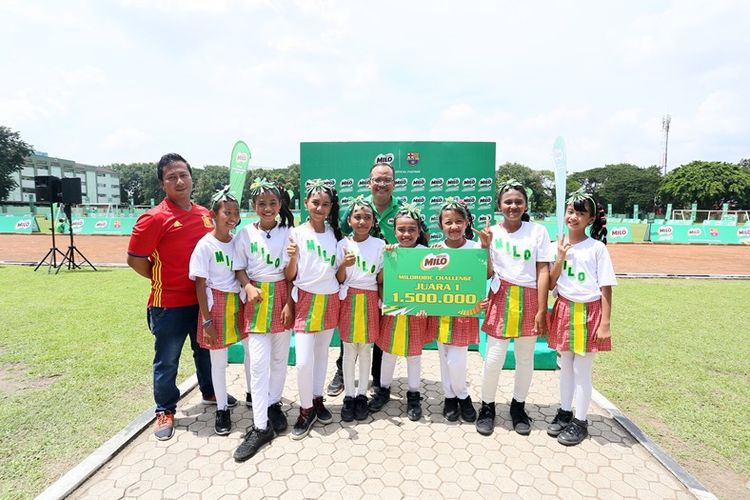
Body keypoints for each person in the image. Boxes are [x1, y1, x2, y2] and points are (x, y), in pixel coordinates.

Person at [127, 153, 236, 442]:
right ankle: (165, 409)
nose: (179, 180)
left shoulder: (204, 213)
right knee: (167, 359)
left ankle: (211, 391)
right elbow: (135, 259)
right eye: (171, 177)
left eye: (183, 174)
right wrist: (161, 278)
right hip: (169, 305)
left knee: (205, 350)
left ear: (191, 177)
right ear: (163, 183)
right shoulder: (153, 218)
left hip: (204, 302)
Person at [476, 180, 553, 436]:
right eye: (508, 201)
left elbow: (543, 270)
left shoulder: (538, 232)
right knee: (495, 357)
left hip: (530, 298)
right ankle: (487, 407)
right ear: (499, 205)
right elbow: (487, 272)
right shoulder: (493, 232)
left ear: (526, 204)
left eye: (518, 201)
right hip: (501, 295)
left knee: (524, 356)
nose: (513, 206)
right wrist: (485, 247)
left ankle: (518, 407)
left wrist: (543, 309)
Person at [232, 178, 296, 462]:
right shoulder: (245, 233)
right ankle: (260, 427)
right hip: (257, 300)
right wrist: (246, 285)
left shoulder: (289, 232)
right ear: (254, 206)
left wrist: (289, 302)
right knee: (258, 364)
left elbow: (294, 273)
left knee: (280, 360)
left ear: (280, 205)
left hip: (282, 297)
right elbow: (239, 268)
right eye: (261, 204)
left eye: (272, 203)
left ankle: (273, 404)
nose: (267, 208)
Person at [547, 190, 616, 446]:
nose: (573, 216)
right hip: (564, 309)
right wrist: (561, 255)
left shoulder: (597, 248)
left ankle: (580, 421)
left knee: (582, 370)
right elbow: (552, 281)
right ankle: (565, 411)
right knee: (565, 366)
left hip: (589, 313)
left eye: (580, 213)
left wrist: (605, 323)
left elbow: (606, 286)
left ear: (590, 220)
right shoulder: (558, 245)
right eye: (570, 211)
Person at [328, 162, 401, 396]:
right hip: (355, 279)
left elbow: (418, 239)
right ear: (369, 182)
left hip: (388, 280)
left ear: (394, 183)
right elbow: (339, 235)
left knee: (376, 331)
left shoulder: (402, 210)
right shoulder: (359, 207)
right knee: (349, 334)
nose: (381, 184)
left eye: (386, 180)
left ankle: (377, 378)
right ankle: (342, 372)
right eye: (377, 180)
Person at [284, 179, 343, 439]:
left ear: (331, 207)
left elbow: (339, 273)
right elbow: (289, 274)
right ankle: (305, 409)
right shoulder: (296, 233)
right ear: (306, 203)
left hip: (330, 298)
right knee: (304, 361)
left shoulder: (335, 234)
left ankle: (317, 400)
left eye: (325, 204)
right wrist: (294, 257)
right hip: (306, 300)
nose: (320, 208)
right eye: (315, 203)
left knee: (322, 356)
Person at [188, 186, 245, 437]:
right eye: (227, 211)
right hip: (216, 306)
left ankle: (254, 396)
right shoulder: (205, 245)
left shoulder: (237, 242)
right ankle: (222, 408)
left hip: (238, 302)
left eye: (235, 211)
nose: (232, 216)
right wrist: (207, 321)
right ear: (214, 213)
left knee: (251, 354)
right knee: (219, 362)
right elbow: (200, 285)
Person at [368, 204, 432, 420]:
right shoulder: (389, 251)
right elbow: (380, 281)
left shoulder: (426, 254)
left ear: (419, 231)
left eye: (411, 229)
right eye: (401, 230)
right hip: (393, 312)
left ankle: (414, 394)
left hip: (416, 313)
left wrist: (428, 306)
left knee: (414, 354)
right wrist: (389, 260)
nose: (406, 234)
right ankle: (383, 390)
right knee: (389, 351)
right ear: (394, 231)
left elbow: (433, 283)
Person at [427, 198, 488, 423]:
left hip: (465, 312)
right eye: (448, 222)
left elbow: (487, 275)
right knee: (444, 357)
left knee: (456, 359)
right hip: (441, 313)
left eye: (459, 221)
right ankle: (450, 397)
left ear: (467, 223)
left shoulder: (475, 249)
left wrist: (486, 248)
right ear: (440, 225)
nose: (454, 226)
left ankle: (463, 396)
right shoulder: (434, 250)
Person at [336, 196, 385, 422]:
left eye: (367, 217)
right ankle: (348, 395)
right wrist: (344, 267)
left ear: (374, 221)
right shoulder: (343, 244)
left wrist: (395, 256)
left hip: (370, 298)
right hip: (349, 298)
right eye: (357, 216)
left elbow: (382, 278)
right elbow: (338, 278)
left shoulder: (380, 245)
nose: (362, 221)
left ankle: (362, 395)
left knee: (366, 349)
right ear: (350, 220)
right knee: (348, 350)